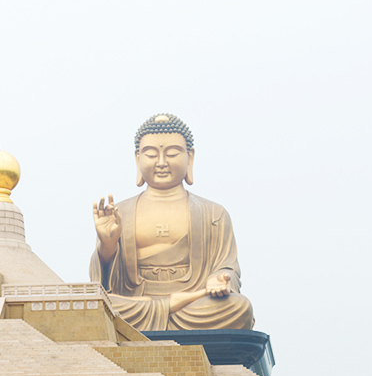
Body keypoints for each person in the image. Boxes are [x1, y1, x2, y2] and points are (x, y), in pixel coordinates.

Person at [90, 113, 254, 332]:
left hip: (193, 305)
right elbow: (103, 285)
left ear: (190, 157)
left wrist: (219, 279)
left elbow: (227, 266)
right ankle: (166, 309)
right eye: (150, 154)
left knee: (239, 308)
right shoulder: (119, 213)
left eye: (172, 153)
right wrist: (107, 246)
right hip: (136, 303)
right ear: (137, 159)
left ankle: (166, 312)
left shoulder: (213, 214)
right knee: (98, 307)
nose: (161, 163)